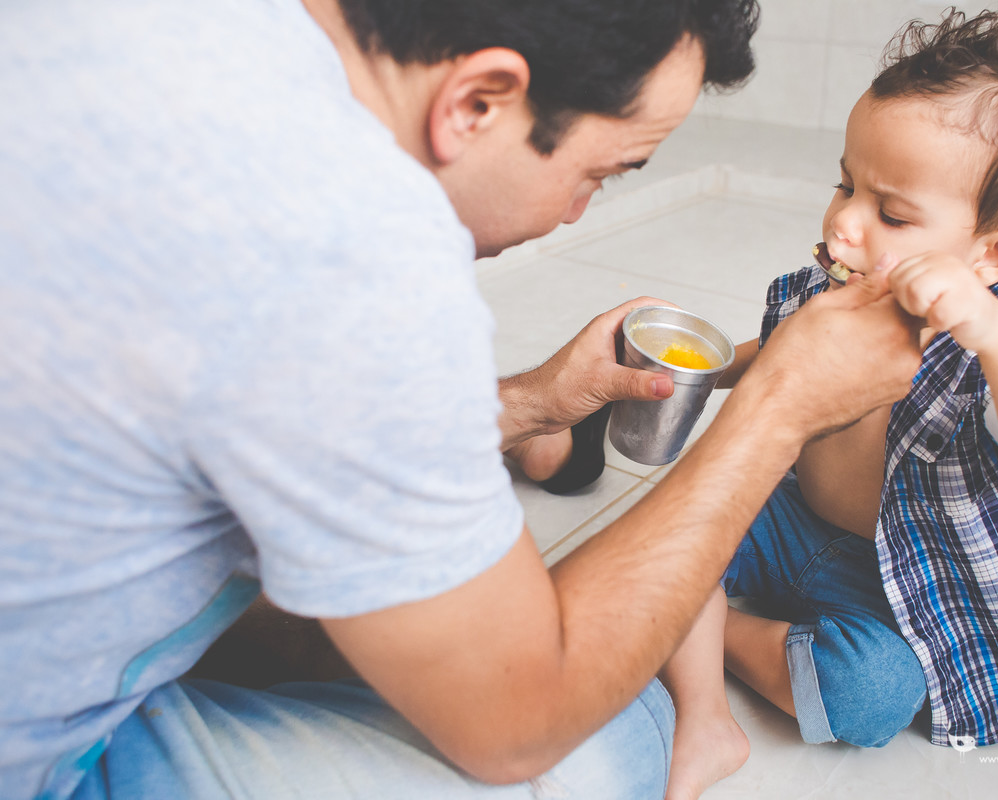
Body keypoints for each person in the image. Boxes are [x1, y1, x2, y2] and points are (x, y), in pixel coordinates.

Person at [0, 1, 927, 798]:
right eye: (600, 175)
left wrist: (531, 402)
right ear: (478, 101)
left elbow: (275, 388)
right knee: (615, 733)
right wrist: (777, 408)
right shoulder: (350, 244)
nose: (576, 214)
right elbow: (518, 722)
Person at [657, 8, 998, 797]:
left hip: (890, 579)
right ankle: (701, 720)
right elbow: (784, 352)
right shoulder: (831, 292)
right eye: (845, 183)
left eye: (891, 213)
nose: (843, 220)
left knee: (875, 695)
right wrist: (710, 369)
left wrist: (995, 334)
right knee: (673, 526)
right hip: (783, 516)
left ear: (993, 253)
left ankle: (714, 631)